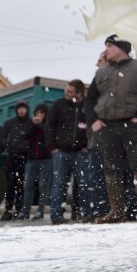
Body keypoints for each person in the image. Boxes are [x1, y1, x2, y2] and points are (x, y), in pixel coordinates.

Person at [85, 34, 137, 223]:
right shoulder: (100, 73)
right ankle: (117, 211)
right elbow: (89, 100)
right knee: (112, 170)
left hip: (133, 127)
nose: (106, 50)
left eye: (110, 46)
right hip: (107, 128)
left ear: (122, 49)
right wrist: (93, 121)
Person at [45, 80, 90, 224]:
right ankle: (57, 216)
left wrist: (87, 146)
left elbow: (91, 126)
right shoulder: (59, 105)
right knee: (59, 184)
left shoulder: (87, 107)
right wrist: (52, 147)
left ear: (79, 93)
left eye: (70, 92)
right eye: (66, 90)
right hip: (61, 152)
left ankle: (86, 213)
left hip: (80, 151)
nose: (67, 93)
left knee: (83, 183)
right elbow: (49, 125)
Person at [0, 101, 32, 221]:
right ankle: (7, 210)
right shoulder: (10, 122)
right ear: (16, 110)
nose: (21, 110)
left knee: (22, 186)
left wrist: (27, 148)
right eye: (19, 108)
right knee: (10, 185)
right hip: (12, 158)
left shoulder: (30, 123)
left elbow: (36, 138)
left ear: (27, 109)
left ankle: (20, 210)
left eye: (23, 108)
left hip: (25, 160)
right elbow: (1, 138)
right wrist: (9, 145)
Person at [18, 104, 52, 220]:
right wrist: (33, 124)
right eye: (37, 112)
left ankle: (40, 210)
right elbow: (25, 136)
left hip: (46, 159)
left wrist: (41, 124)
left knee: (43, 185)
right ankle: (25, 210)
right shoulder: (31, 124)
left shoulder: (48, 124)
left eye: (41, 112)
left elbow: (48, 136)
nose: (39, 115)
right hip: (32, 159)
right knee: (28, 185)